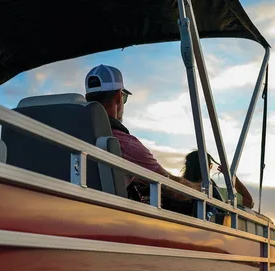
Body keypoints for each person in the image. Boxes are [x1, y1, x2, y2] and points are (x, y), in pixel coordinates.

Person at [84, 65, 201, 199]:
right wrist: (199, 189)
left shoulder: (71, 131)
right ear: (118, 97)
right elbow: (173, 188)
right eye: (124, 97)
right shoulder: (126, 145)